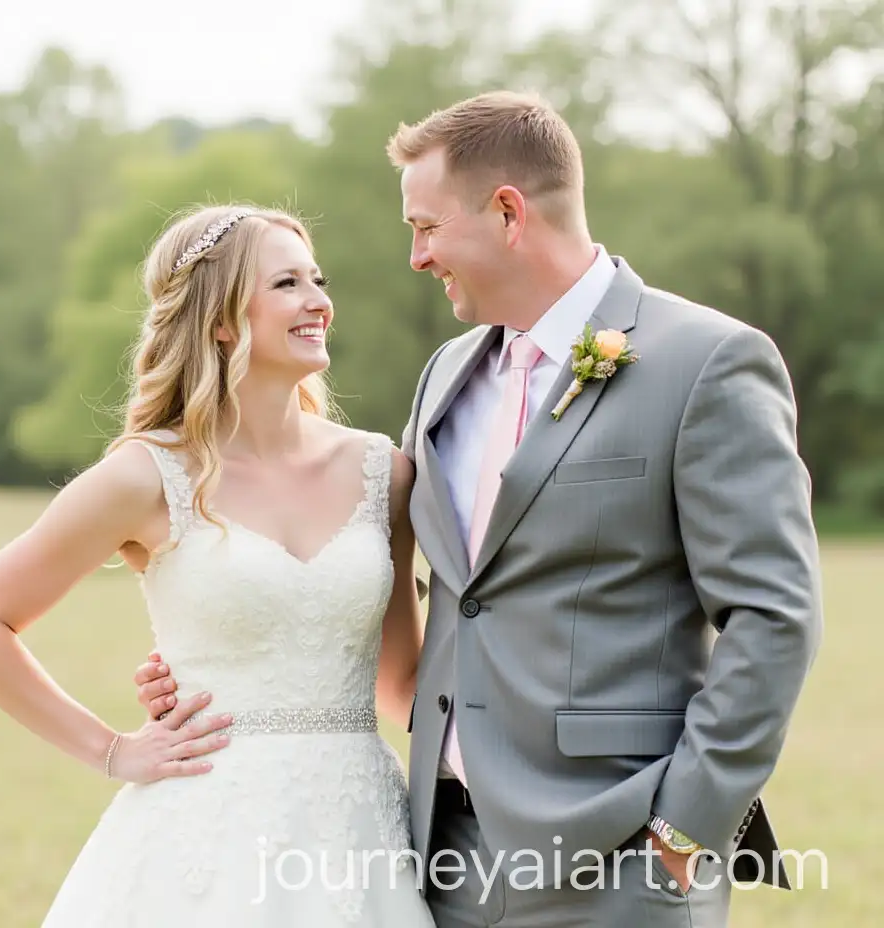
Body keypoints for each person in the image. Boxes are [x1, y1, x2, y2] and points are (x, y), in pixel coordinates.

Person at [134, 92, 822, 927]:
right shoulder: (445, 378)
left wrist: (685, 832)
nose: (417, 257)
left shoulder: (707, 362)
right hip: (438, 856)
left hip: (621, 860)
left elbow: (774, 616)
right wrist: (223, 668)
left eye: (425, 227)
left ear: (507, 213)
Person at [0, 203, 439, 926]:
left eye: (317, 280)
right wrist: (112, 750)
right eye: (287, 284)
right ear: (222, 320)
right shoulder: (147, 477)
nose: (318, 301)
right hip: (204, 835)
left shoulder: (382, 473)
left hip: (358, 837)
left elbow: (402, 684)